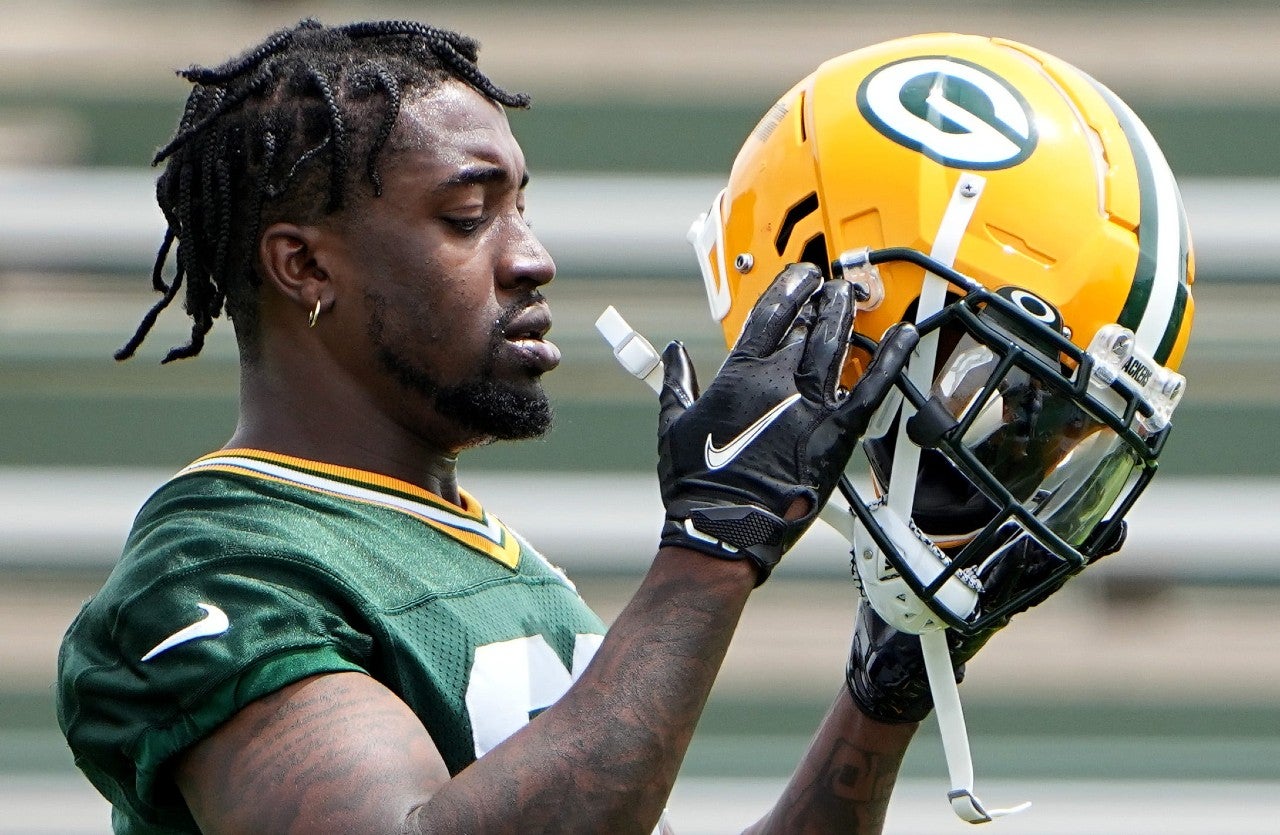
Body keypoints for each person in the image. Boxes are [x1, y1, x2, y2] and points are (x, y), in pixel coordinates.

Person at [55, 21, 1193, 835]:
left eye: (523, 205)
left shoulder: (498, 565)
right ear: (304, 265)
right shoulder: (216, 568)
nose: (531, 255)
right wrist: (709, 550)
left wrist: (878, 697)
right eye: (467, 214)